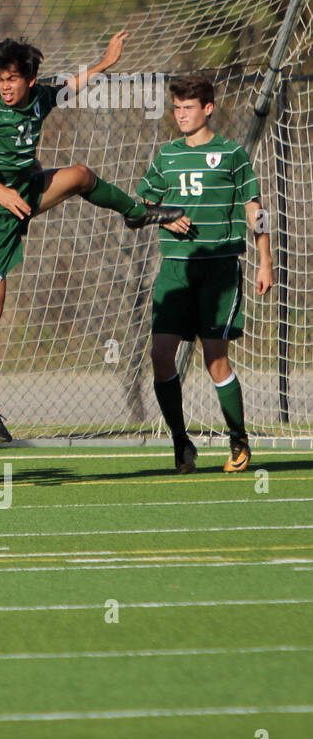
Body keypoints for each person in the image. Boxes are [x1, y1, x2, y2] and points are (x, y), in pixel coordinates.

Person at [0, 35, 184, 443]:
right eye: (0, 78)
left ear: (31, 79)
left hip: (17, 194)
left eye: (12, 79)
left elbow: (69, 86)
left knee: (79, 175)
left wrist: (104, 63)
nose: (5, 86)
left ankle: (136, 213)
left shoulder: (39, 95)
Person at [137, 76, 272, 474]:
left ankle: (238, 439)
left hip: (219, 270)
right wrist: (165, 216)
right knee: (161, 355)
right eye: (176, 107)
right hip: (175, 269)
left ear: (208, 109)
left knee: (216, 360)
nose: (180, 114)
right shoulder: (167, 155)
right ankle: (181, 444)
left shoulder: (232, 154)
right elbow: (143, 201)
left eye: (188, 107)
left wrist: (265, 261)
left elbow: (255, 209)